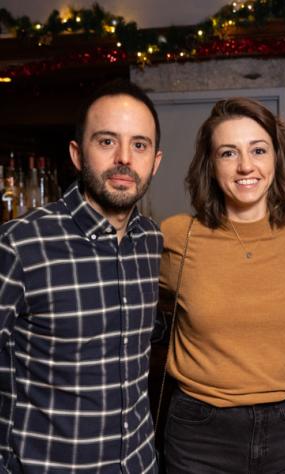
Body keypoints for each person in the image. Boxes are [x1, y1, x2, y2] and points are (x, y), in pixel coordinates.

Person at [159, 97, 285, 473]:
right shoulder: (177, 236)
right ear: (210, 165)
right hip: (199, 431)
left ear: (276, 158)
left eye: (258, 150)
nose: (245, 166)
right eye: (228, 153)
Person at [0, 79, 163, 472]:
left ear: (155, 161)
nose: (124, 157)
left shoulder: (152, 241)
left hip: (139, 464)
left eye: (139, 145)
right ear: (77, 153)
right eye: (107, 141)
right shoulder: (20, 245)